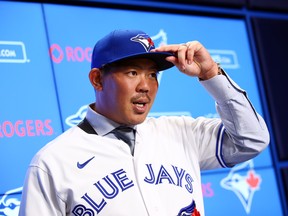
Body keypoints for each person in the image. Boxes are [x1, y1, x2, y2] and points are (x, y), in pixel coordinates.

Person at [19, 29, 269, 216]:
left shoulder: (181, 132)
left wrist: (211, 73)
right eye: (132, 72)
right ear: (97, 79)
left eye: (152, 74)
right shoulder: (52, 162)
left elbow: (252, 140)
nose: (145, 86)